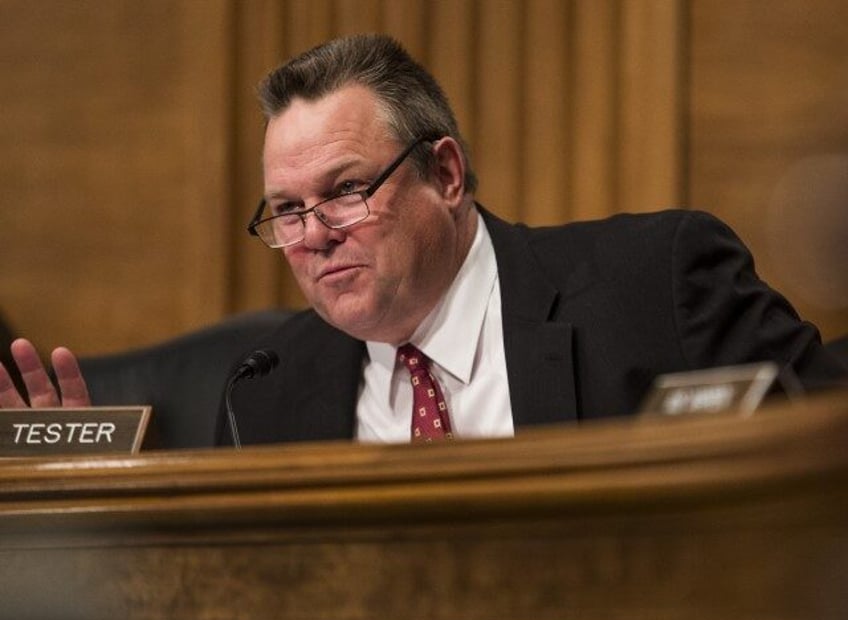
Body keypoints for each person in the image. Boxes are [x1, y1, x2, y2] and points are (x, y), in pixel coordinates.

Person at [1, 34, 845, 446]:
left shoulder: (653, 285)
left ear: (445, 174)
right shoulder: (266, 392)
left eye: (345, 191)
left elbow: (821, 451)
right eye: (286, 211)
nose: (314, 237)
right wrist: (84, 502)